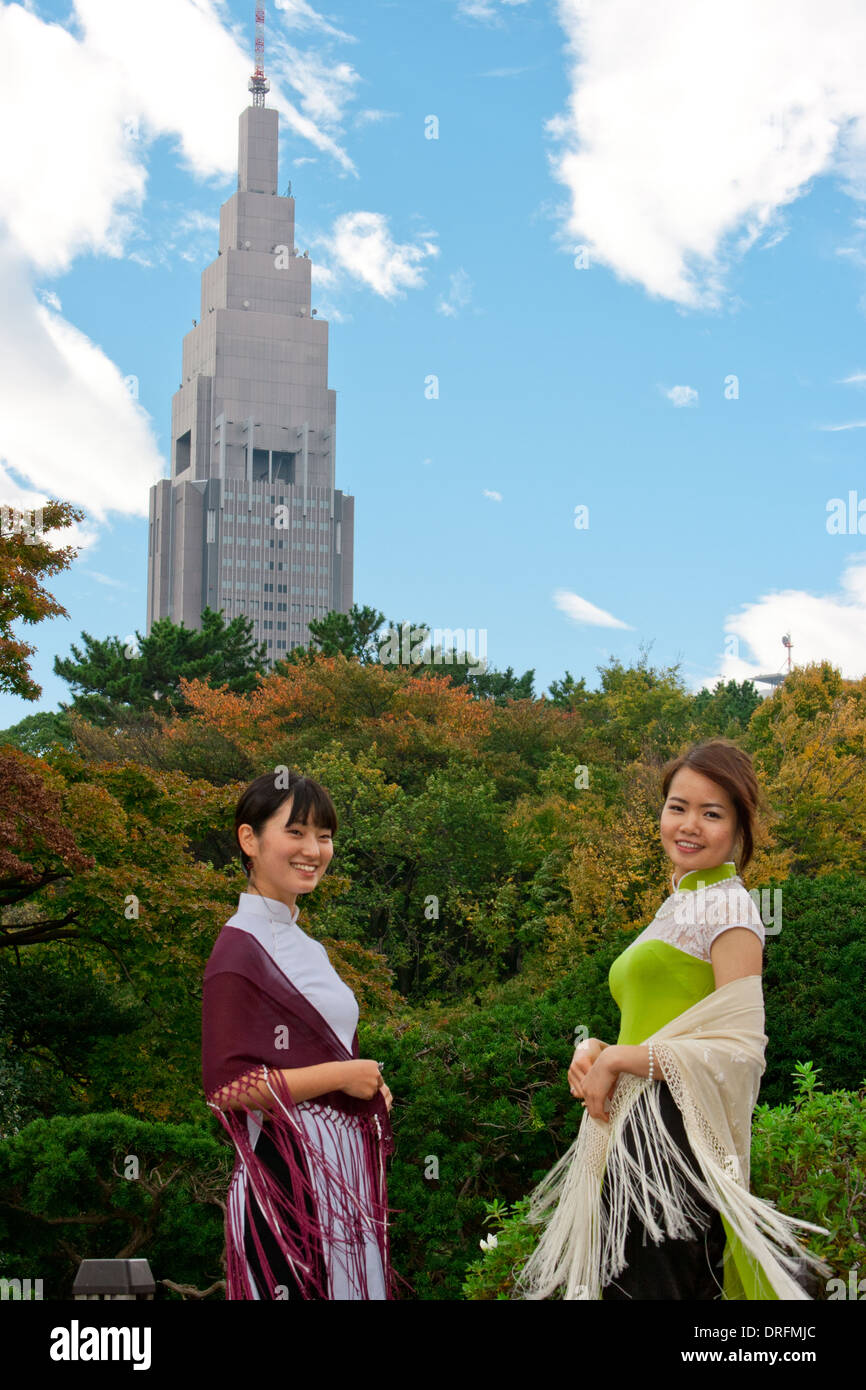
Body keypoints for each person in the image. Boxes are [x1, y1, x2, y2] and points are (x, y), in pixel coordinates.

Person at [515, 739, 831, 1301]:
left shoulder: (729, 908)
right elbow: (667, 1026)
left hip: (671, 1137)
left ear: (739, 829)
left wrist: (620, 1058)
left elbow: (740, 1049)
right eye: (677, 806)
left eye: (712, 813)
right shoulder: (677, 906)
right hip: (633, 1130)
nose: (689, 824)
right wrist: (598, 1049)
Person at [201, 769, 396, 1300]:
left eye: (325, 836)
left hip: (342, 1176)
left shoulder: (309, 947)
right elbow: (227, 1087)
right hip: (287, 1182)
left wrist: (366, 1085)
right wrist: (341, 1074)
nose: (314, 849)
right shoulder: (238, 949)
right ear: (249, 838)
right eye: (297, 832)